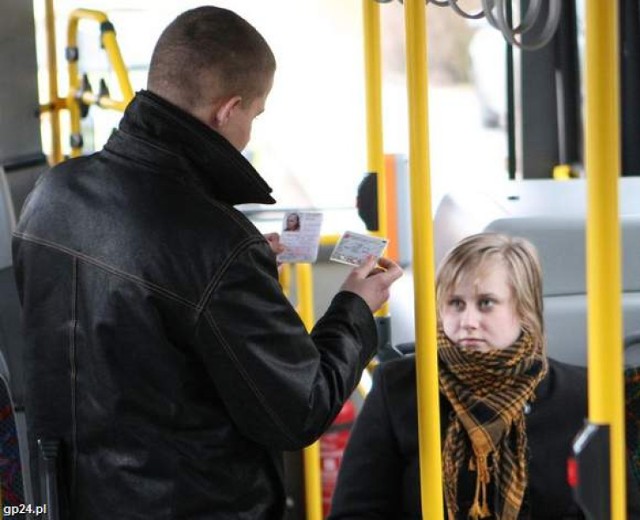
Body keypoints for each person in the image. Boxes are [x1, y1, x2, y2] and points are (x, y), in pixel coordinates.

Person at [12, 6, 402, 519]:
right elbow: (299, 409)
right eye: (254, 116)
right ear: (228, 109)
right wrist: (354, 305)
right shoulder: (216, 246)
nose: (250, 132)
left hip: (65, 496)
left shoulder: (51, 194)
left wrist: (232, 278)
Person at [329, 233, 640, 519]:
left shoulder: (582, 393)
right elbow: (357, 511)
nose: (468, 321)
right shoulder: (399, 387)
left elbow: (617, 508)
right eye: (455, 304)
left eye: (486, 303)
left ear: (524, 307)